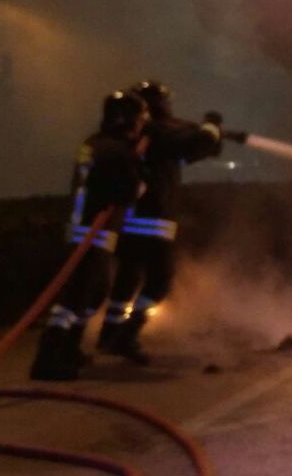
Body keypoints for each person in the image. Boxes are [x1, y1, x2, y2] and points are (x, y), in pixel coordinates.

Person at [98, 80, 234, 365]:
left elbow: (194, 151)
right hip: (152, 223)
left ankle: (109, 334)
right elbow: (200, 144)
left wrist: (209, 135)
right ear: (159, 104)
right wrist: (211, 124)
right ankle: (127, 333)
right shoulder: (159, 132)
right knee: (159, 283)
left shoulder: (144, 135)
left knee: (127, 279)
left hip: (131, 222)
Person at [29, 91, 149, 381]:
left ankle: (69, 350)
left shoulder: (94, 144)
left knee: (89, 297)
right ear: (127, 121)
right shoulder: (118, 151)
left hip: (82, 233)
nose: (140, 127)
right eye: (138, 120)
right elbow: (132, 192)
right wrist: (137, 163)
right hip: (93, 238)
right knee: (76, 300)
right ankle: (48, 360)